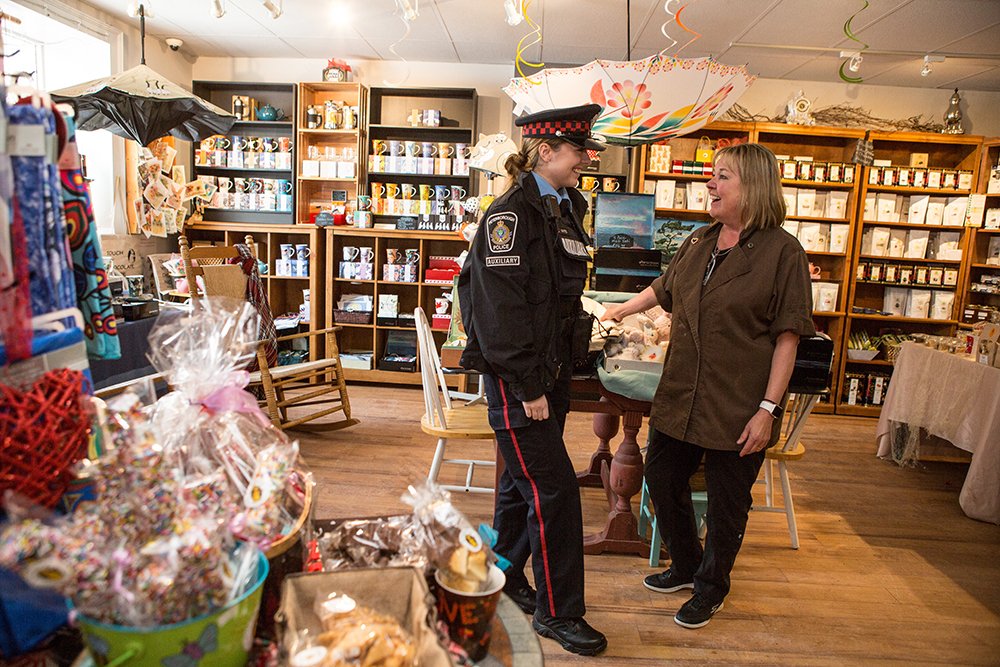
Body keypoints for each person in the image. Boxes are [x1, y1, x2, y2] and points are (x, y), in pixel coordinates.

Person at [601, 142, 815, 629]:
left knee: (727, 504)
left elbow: (788, 338)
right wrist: (620, 310)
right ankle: (686, 563)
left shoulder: (784, 253)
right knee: (661, 477)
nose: (710, 184)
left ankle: (711, 586)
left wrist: (768, 409)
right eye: (712, 176)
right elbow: (663, 288)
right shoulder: (700, 240)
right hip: (681, 393)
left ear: (754, 186)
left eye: (723, 176)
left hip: (738, 402)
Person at [458, 104, 607, 656]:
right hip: (520, 379)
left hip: (549, 373)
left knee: (519, 488)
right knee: (555, 492)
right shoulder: (511, 216)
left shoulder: (564, 209)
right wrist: (528, 387)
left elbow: (555, 300)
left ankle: (502, 578)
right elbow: (500, 312)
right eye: (576, 151)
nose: (584, 161)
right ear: (546, 152)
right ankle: (559, 612)